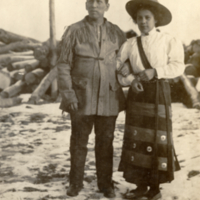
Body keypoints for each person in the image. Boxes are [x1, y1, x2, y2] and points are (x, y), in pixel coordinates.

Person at [56, 0, 126, 198]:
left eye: (99, 1)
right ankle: (75, 183)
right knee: (78, 142)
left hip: (109, 96)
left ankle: (106, 184)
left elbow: (125, 60)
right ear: (86, 5)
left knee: (106, 141)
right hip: (81, 97)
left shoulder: (116, 31)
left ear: (107, 5)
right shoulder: (74, 30)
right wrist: (68, 94)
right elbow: (63, 64)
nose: (94, 5)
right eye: (90, 1)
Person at [116, 0, 185, 200]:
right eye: (140, 18)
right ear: (135, 21)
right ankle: (140, 186)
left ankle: (154, 188)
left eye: (147, 18)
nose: (143, 22)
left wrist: (155, 71)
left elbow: (178, 66)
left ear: (156, 20)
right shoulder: (130, 44)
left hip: (159, 92)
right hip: (138, 94)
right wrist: (131, 81)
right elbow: (119, 66)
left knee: (156, 136)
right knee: (137, 138)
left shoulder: (168, 40)